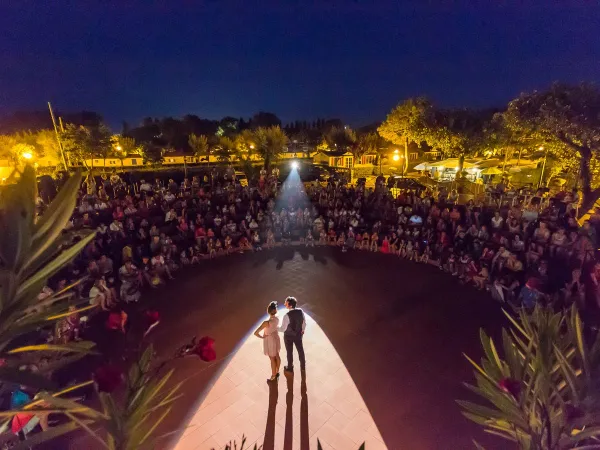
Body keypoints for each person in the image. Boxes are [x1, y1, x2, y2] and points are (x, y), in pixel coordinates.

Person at [253, 301, 282, 382]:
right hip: (276, 338)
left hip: (270, 341)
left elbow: (255, 333)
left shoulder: (266, 323)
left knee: (272, 359)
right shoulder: (277, 318)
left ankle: (273, 376)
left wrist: (262, 337)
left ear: (268, 311)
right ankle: (277, 371)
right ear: (275, 310)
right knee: (277, 356)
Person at [278, 296, 306, 373]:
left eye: (286, 303)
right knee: (300, 350)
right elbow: (304, 322)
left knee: (289, 352)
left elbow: (283, 329)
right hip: (298, 335)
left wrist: (276, 328)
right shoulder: (300, 311)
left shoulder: (286, 316)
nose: (284, 304)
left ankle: (290, 367)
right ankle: (303, 366)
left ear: (290, 306)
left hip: (288, 337)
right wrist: (302, 330)